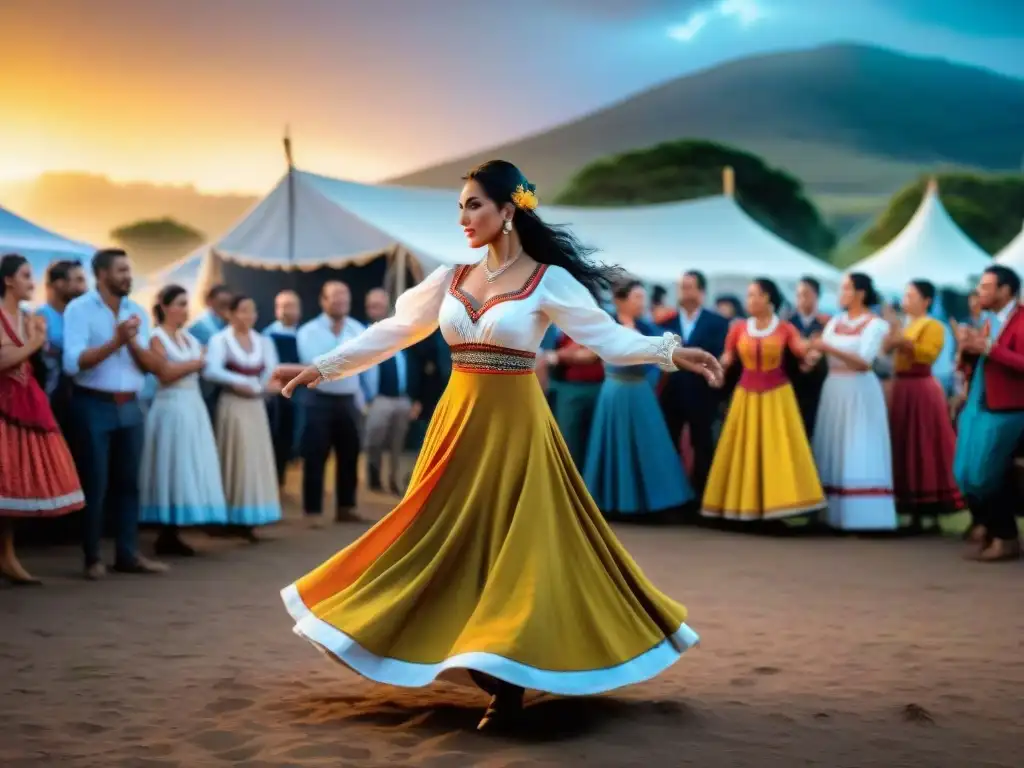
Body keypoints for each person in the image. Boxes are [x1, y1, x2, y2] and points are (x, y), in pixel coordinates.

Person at [275, 161, 721, 730]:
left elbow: (604, 337)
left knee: (516, 553)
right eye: (460, 206)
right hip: (456, 429)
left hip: (517, 432)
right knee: (441, 545)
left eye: (474, 205)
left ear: (508, 210)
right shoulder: (450, 277)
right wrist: (323, 366)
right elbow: (394, 331)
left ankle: (506, 685)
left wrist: (668, 352)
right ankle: (459, 655)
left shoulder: (547, 280)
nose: (464, 217)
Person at [62, 249, 168, 579]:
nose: (128, 276)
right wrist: (116, 341)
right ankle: (92, 557)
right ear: (102, 274)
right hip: (93, 404)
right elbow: (72, 363)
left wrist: (133, 342)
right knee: (95, 484)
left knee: (129, 484)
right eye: (121, 270)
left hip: (130, 406)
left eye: (129, 270)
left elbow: (152, 366)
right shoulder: (79, 310)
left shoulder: (137, 311)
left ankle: (127, 554)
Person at [702, 278, 825, 523]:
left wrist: (815, 351)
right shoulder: (738, 328)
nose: (750, 300)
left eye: (754, 295)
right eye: (748, 296)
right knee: (744, 451)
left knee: (776, 451)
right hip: (746, 395)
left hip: (777, 397)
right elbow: (728, 357)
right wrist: (714, 371)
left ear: (767, 298)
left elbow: (802, 351)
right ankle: (744, 508)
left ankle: (776, 509)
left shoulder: (785, 328)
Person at [0, 254, 84, 584]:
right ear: (8, 280)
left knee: (12, 486)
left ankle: (7, 556)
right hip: (4, 405)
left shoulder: (27, 317)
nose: (31, 282)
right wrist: (35, 343)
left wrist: (38, 342)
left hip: (25, 404)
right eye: (25, 275)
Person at [581, 278, 693, 517]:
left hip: (640, 391)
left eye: (643, 298)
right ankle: (611, 502)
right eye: (637, 298)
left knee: (649, 445)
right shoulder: (606, 324)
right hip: (615, 390)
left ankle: (653, 504)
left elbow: (665, 357)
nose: (642, 303)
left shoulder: (647, 327)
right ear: (621, 300)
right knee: (615, 444)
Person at [138, 285, 228, 556]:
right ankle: (166, 530)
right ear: (164, 307)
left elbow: (200, 363)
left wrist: (194, 363)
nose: (185, 309)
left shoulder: (187, 338)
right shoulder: (156, 337)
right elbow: (163, 373)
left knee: (189, 464)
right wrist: (194, 364)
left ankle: (176, 528)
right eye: (179, 303)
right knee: (171, 464)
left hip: (192, 406)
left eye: (186, 303)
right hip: (170, 407)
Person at [810, 273, 896, 531]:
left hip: (860, 390)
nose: (841, 293)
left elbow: (864, 362)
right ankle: (830, 514)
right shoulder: (835, 321)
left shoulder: (875, 324)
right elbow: (818, 352)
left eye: (846, 288)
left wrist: (828, 349)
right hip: (834, 388)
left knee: (859, 445)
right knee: (833, 443)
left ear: (860, 293)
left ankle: (865, 516)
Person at [954, 265, 1024, 562]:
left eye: (986, 287)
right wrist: (968, 350)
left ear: (1005, 290)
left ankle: (1005, 536)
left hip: (1007, 408)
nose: (980, 292)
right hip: (978, 404)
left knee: (985, 476)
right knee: (964, 475)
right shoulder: (988, 321)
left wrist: (989, 348)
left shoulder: (1021, 321)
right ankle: (991, 528)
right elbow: (979, 361)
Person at [883, 280, 964, 530]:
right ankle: (910, 509)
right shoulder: (904, 325)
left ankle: (930, 510)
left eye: (911, 296)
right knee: (904, 444)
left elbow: (927, 354)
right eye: (905, 295)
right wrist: (894, 333)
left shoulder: (933, 325)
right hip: (902, 387)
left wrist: (900, 337)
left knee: (924, 445)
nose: (906, 300)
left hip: (921, 388)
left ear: (926, 301)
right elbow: (885, 350)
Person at [204, 295, 283, 540]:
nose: (249, 316)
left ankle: (250, 517)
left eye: (252, 311)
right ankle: (228, 516)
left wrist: (259, 388)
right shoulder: (220, 340)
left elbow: (272, 370)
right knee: (233, 456)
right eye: (244, 311)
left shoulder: (263, 342)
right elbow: (211, 369)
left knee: (254, 459)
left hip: (255, 406)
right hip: (233, 406)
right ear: (230, 313)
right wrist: (238, 382)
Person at [295, 282, 373, 524]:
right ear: (323, 301)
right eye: (335, 298)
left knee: (350, 454)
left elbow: (367, 361)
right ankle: (313, 511)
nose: (340, 302)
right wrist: (349, 359)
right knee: (316, 454)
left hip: (349, 399)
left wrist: (366, 396)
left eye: (344, 299)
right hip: (318, 399)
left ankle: (346, 507)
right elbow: (315, 362)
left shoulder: (358, 328)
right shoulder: (308, 330)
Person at [657, 271, 730, 499]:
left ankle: (702, 498)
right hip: (672, 394)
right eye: (681, 287)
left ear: (701, 291)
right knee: (670, 445)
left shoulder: (718, 323)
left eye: (689, 287)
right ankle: (672, 497)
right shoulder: (666, 323)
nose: (684, 292)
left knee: (703, 446)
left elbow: (721, 358)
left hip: (703, 393)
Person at [363, 288, 422, 495]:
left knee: (398, 443)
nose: (374, 310)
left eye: (378, 305)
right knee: (374, 442)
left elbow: (415, 367)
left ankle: (394, 480)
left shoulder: (402, 333)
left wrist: (415, 398)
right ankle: (374, 479)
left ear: (387, 306)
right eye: (371, 306)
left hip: (403, 399)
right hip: (379, 399)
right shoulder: (363, 333)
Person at [35, 259, 87, 429]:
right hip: (53, 402)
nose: (84, 288)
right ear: (59, 284)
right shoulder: (42, 318)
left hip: (82, 402)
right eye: (78, 280)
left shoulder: (81, 318)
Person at [263, 290, 303, 488]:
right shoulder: (268, 336)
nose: (289, 311)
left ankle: (283, 483)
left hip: (300, 396)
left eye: (293, 306)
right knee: (275, 440)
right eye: (284, 306)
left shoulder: (304, 334)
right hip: (276, 397)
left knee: (291, 441)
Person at [787, 276, 830, 438]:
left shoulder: (826, 323)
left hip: (818, 385)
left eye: (806, 294)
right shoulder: (787, 323)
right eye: (798, 295)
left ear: (816, 296)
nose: (801, 299)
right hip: (792, 384)